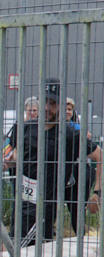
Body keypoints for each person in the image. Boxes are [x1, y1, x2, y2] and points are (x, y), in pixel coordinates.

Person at [18, 79, 102, 244]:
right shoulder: (27, 128)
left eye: (53, 103)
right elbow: (14, 156)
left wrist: (97, 193)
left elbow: (100, 157)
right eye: (45, 102)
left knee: (28, 251)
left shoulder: (70, 133)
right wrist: (8, 161)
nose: (48, 108)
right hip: (22, 203)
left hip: (45, 208)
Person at [3, 97, 38, 168]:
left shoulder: (41, 125)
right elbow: (13, 143)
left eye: (34, 110)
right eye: (29, 110)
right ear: (26, 110)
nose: (32, 113)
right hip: (18, 158)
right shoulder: (18, 125)